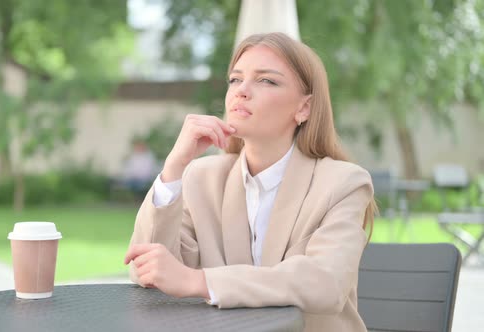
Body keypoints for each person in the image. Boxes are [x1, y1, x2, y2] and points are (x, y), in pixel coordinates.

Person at [124, 32, 376, 332]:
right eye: (235, 79)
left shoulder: (344, 183)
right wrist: (173, 168)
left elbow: (325, 283)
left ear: (304, 108)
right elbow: (149, 272)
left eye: (266, 80)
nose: (241, 91)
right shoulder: (200, 177)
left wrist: (198, 281)